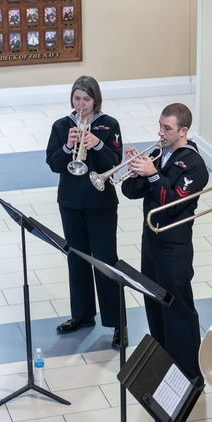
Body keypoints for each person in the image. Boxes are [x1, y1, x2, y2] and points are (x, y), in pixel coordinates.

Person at [121, 103, 208, 379]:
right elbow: (132, 192)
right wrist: (136, 170)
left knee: (177, 308)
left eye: (166, 128)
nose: (160, 132)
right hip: (151, 241)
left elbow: (171, 206)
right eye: (160, 125)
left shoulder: (194, 165)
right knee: (154, 301)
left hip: (174, 246)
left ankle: (190, 372)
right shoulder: (159, 153)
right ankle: (164, 360)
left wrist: (154, 175)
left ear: (184, 131)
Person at [46, 76, 125, 347]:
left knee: (105, 262)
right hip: (70, 202)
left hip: (101, 203)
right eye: (77, 98)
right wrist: (68, 147)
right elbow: (53, 164)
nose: (81, 104)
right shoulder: (61, 126)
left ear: (95, 100)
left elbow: (115, 162)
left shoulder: (109, 125)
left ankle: (118, 324)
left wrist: (98, 144)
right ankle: (82, 315)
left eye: (86, 99)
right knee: (76, 258)